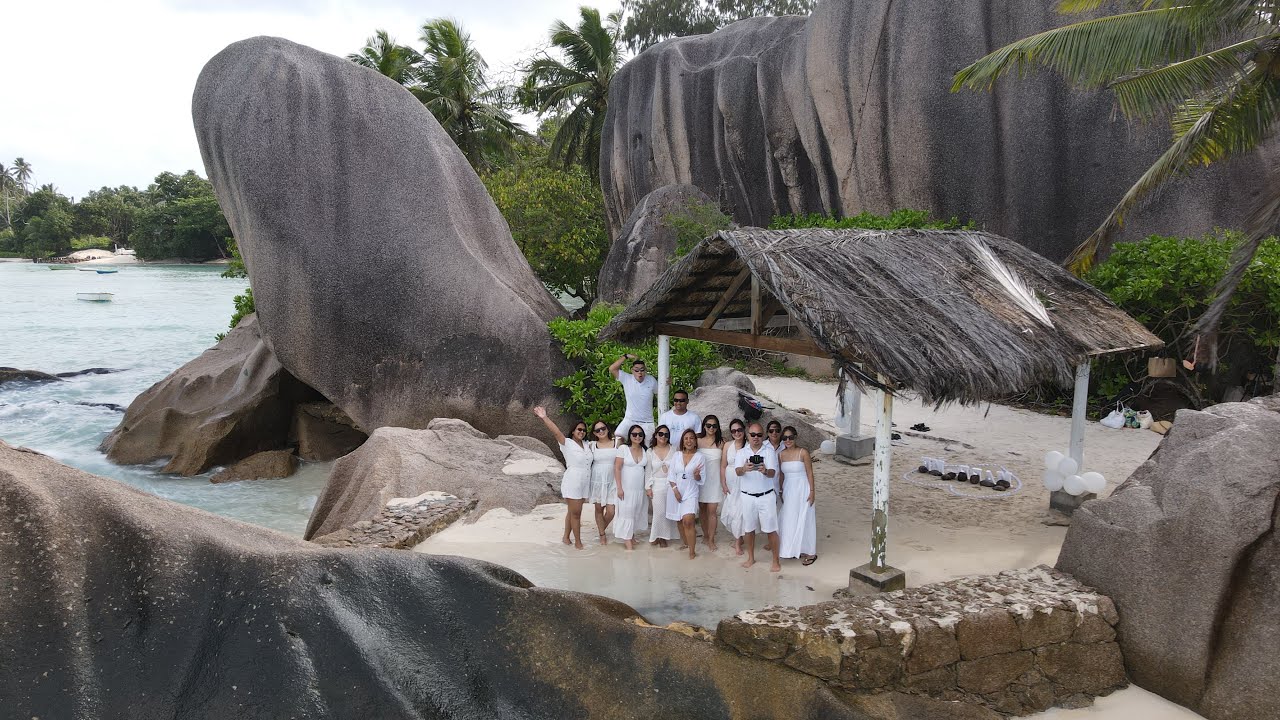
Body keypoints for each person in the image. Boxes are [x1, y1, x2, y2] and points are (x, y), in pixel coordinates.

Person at [533, 406, 590, 550]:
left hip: (585, 481)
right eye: (579, 429)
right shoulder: (567, 443)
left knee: (572, 511)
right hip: (573, 480)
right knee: (576, 513)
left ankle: (565, 537)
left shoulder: (588, 445)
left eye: (583, 430)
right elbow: (555, 431)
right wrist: (544, 417)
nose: (581, 432)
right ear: (573, 431)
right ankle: (578, 542)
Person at [734, 422, 781, 572]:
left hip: (766, 495)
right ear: (748, 435)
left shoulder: (769, 452)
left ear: (763, 436)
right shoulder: (741, 453)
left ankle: (775, 561)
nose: (756, 437)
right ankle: (751, 558)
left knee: (771, 529)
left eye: (759, 435)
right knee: (749, 529)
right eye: (753, 434)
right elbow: (737, 472)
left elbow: (773, 473)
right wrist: (744, 469)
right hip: (747, 496)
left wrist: (765, 471)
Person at [777, 426, 818, 565]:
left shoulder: (803, 452)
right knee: (790, 518)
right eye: (785, 438)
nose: (788, 440)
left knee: (805, 518)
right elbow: (781, 475)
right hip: (789, 489)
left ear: (795, 437)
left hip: (803, 488)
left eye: (790, 437)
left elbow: (810, 473)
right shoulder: (781, 454)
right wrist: (781, 491)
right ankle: (794, 549)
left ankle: (811, 552)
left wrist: (812, 492)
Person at [666, 428, 705, 560]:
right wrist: (675, 490)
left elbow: (701, 479)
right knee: (679, 520)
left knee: (688, 520)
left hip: (691, 492)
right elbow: (671, 475)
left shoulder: (700, 457)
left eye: (691, 438)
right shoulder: (676, 455)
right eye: (686, 438)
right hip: (675, 490)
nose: (688, 441)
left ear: (695, 442)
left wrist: (697, 476)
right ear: (683, 441)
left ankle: (692, 551)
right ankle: (686, 543)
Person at [612, 424, 651, 550]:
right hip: (626, 488)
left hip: (639, 490)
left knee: (635, 512)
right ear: (630, 435)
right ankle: (627, 540)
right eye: (634, 434)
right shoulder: (623, 448)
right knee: (626, 513)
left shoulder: (646, 450)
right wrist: (619, 487)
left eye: (640, 434)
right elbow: (617, 468)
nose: (637, 436)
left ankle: (631, 536)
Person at [609, 354, 658, 444]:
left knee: (649, 445)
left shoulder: (651, 380)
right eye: (637, 370)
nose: (640, 373)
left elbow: (661, 393)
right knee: (618, 435)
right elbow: (612, 368)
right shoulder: (626, 378)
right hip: (630, 419)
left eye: (642, 370)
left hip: (647, 422)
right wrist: (626, 356)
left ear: (645, 371)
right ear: (632, 371)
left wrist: (668, 384)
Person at [645, 425, 680, 547]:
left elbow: (677, 470)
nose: (663, 437)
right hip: (656, 484)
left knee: (668, 511)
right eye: (661, 434)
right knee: (659, 512)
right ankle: (658, 536)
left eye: (666, 435)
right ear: (655, 435)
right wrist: (647, 487)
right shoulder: (649, 451)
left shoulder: (674, 450)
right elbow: (648, 471)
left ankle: (664, 536)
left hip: (670, 484)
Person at [587, 420, 618, 544]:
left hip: (613, 480)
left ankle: (601, 529)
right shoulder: (591, 445)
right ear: (594, 433)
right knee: (599, 509)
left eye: (603, 428)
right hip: (597, 480)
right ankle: (602, 535)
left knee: (611, 511)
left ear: (607, 428)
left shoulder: (617, 442)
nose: (601, 431)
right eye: (597, 430)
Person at [696, 415, 724, 552]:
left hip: (715, 481)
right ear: (704, 426)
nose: (711, 428)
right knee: (702, 509)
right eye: (708, 425)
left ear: (717, 427)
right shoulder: (697, 440)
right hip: (700, 481)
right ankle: (705, 535)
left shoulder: (722, 442)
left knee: (712, 511)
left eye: (714, 426)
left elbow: (725, 464)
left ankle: (711, 539)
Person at [719, 418, 747, 555]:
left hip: (745, 482)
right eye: (734, 431)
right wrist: (723, 484)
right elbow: (723, 466)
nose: (737, 433)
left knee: (740, 511)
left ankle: (737, 542)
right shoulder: (727, 446)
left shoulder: (748, 446)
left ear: (744, 430)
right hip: (730, 482)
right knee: (733, 510)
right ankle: (739, 538)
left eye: (739, 430)